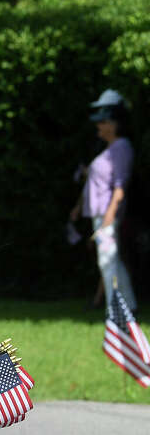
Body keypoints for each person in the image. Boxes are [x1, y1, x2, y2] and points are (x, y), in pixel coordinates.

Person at [70, 88, 137, 312]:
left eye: (103, 122)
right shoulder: (108, 149)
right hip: (100, 215)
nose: (99, 126)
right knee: (112, 261)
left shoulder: (121, 148)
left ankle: (114, 310)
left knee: (107, 262)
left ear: (114, 124)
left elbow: (120, 186)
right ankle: (128, 307)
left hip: (107, 215)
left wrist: (109, 217)